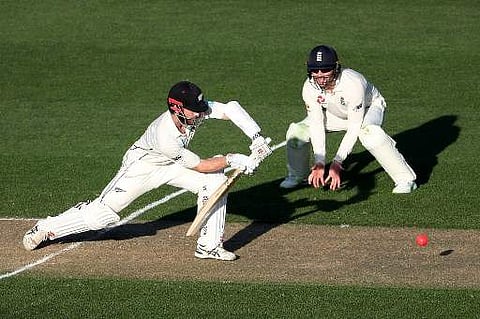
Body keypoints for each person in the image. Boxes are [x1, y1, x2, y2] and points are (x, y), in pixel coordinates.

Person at [23, 80, 272, 261]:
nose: (200, 113)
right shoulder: (166, 135)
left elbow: (231, 108)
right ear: (177, 109)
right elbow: (200, 165)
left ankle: (208, 247)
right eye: (194, 110)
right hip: (142, 168)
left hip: (172, 165)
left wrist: (256, 138)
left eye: (200, 107)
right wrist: (232, 158)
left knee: (216, 184)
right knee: (103, 215)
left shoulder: (194, 111)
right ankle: (46, 227)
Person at [280, 45, 417, 193]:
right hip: (336, 112)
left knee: (370, 133)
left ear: (336, 67)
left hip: (367, 109)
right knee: (297, 132)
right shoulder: (309, 87)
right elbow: (316, 124)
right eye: (315, 70)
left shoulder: (353, 83)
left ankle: (405, 179)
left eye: (325, 69)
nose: (320, 75)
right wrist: (320, 162)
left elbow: (354, 128)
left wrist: (337, 162)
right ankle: (298, 175)